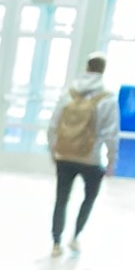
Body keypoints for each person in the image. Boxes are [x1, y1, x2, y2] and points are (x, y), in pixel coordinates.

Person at [47, 55, 119, 255]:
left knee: (61, 199)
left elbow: (53, 125)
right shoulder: (107, 98)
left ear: (86, 67)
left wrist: (53, 151)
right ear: (103, 70)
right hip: (91, 159)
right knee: (88, 198)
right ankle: (75, 237)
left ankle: (55, 242)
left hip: (65, 155)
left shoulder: (68, 94)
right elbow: (111, 133)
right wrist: (112, 160)